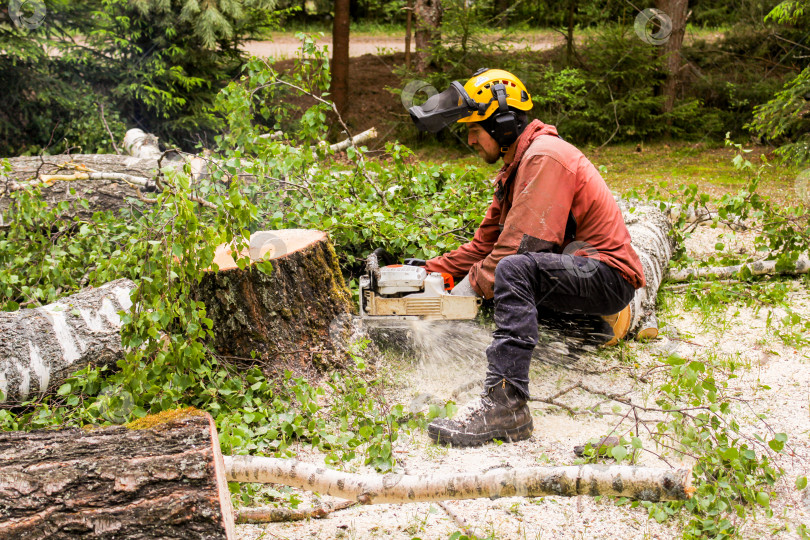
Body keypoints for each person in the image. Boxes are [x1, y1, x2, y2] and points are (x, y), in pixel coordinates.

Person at [406, 68, 646, 447]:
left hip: (607, 275)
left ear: (502, 124)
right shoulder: (517, 168)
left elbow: (517, 250)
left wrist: (458, 300)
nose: (469, 140)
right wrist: (423, 274)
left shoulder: (545, 157)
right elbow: (482, 246)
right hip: (577, 272)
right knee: (506, 279)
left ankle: (506, 406)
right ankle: (582, 335)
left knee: (513, 271)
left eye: (473, 129)